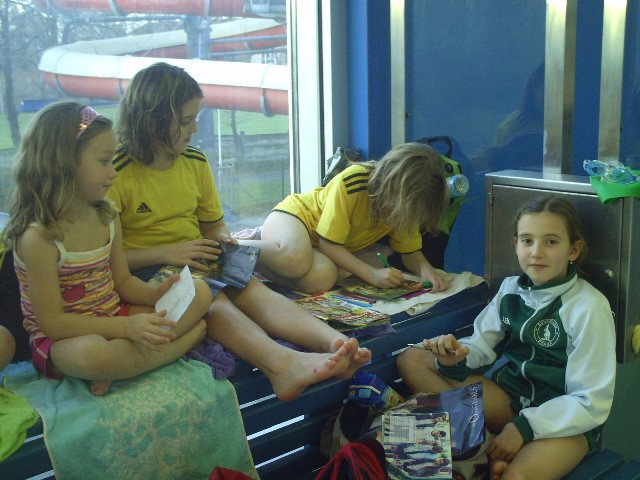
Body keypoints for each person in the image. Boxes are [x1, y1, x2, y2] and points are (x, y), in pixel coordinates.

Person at [107, 62, 371, 401]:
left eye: (195, 118)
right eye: (185, 121)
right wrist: (168, 253)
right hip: (148, 271)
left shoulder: (194, 162)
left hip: (197, 256)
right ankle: (281, 365)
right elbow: (107, 261)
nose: (194, 128)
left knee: (253, 290)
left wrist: (223, 240)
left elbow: (212, 225)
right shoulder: (116, 173)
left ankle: (335, 344)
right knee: (214, 302)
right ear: (152, 120)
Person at [397, 195, 616, 480]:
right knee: (412, 360)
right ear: (516, 245)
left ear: (573, 250)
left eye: (551, 242)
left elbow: (590, 402)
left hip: (565, 424)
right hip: (511, 402)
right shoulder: (510, 290)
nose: (536, 252)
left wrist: (523, 429)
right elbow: (481, 346)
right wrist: (454, 358)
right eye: (527, 241)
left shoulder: (589, 306)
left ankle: (495, 449)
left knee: (512, 476)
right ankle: (483, 444)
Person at [2, 101, 213, 396]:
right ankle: (178, 345)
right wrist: (127, 329)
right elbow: (53, 324)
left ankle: (122, 364)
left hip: (114, 315)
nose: (113, 172)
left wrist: (154, 294)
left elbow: (122, 281)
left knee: (200, 292)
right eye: (104, 162)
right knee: (92, 355)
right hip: (63, 341)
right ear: (62, 164)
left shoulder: (107, 215)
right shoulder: (38, 238)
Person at [240, 142, 452, 294]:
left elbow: (409, 251)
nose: (401, 218)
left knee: (322, 278)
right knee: (294, 260)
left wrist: (427, 271)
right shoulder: (354, 180)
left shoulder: (404, 205)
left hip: (317, 245)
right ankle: (236, 245)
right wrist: (371, 274)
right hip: (296, 218)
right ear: (391, 186)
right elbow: (329, 244)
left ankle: (255, 262)